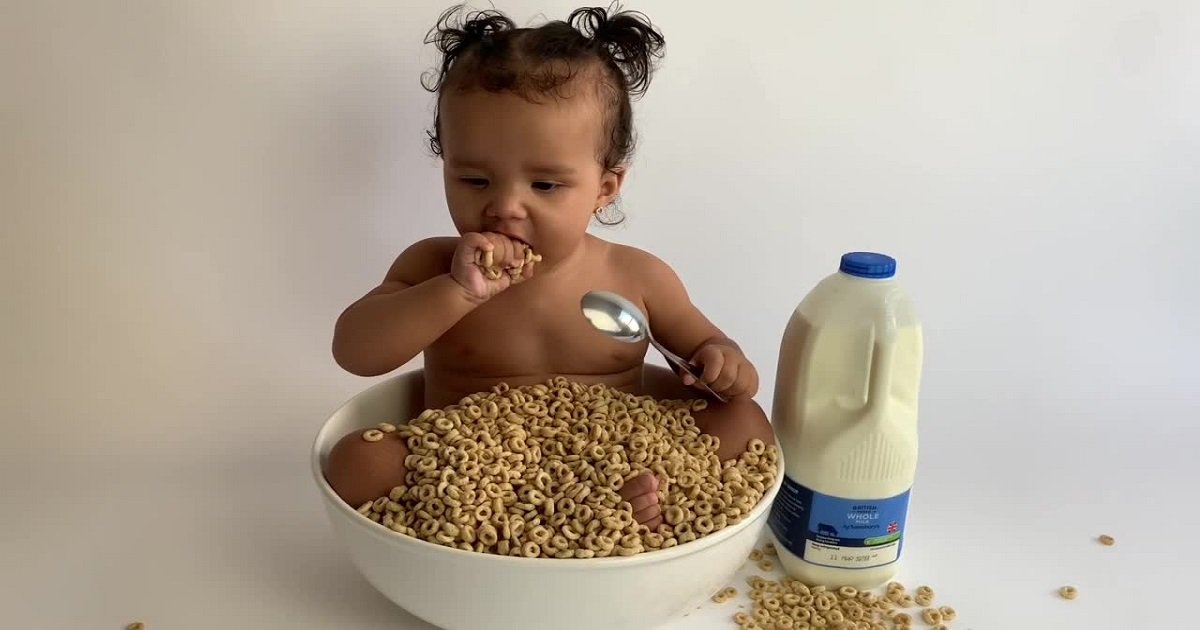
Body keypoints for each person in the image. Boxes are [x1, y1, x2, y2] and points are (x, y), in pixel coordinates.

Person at [324, 4, 775, 531]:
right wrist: (454, 293)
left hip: (619, 456)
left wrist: (723, 363)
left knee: (745, 423)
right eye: (475, 180)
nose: (506, 206)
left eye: (545, 186)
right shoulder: (431, 264)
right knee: (355, 459)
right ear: (445, 165)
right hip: (468, 469)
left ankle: (622, 506)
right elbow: (354, 351)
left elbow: (722, 366)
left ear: (604, 188)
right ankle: (580, 521)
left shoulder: (640, 277)